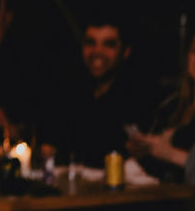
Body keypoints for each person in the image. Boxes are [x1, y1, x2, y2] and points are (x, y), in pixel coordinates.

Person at [39, 15, 157, 167]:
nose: (97, 51)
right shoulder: (68, 91)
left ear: (125, 51)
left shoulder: (139, 97)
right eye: (90, 43)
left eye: (108, 44)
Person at [128, 29, 195, 177]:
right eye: (194, 51)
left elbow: (172, 153)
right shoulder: (173, 103)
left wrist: (170, 154)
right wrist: (146, 147)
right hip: (163, 191)